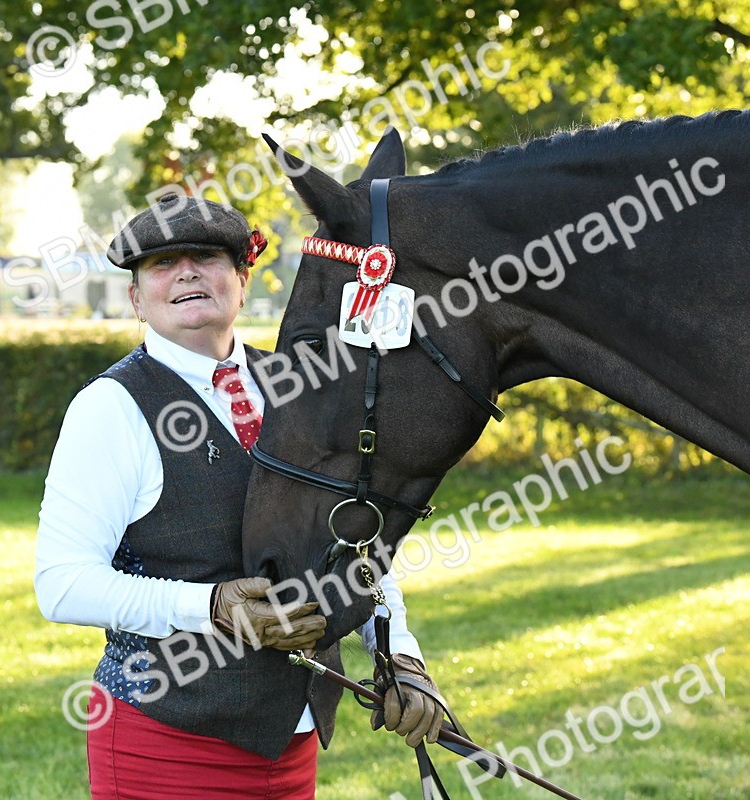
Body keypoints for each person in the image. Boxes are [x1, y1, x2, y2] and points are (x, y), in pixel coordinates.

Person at [34, 193, 446, 799]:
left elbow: (355, 542)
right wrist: (213, 607)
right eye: (161, 264)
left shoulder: (302, 384)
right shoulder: (110, 407)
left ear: (243, 278)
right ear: (136, 297)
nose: (186, 273)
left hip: (296, 738)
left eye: (206, 256)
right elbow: (62, 583)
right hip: (167, 740)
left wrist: (400, 654)